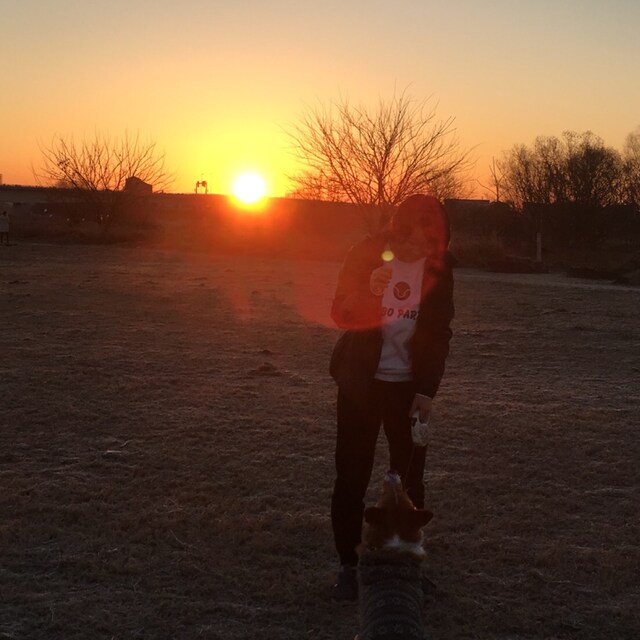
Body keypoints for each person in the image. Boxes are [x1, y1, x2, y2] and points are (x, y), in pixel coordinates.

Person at [328, 193, 455, 600]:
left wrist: (426, 391)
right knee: (352, 477)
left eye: (432, 243)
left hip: (408, 390)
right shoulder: (365, 254)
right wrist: (368, 292)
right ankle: (349, 566)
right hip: (361, 386)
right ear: (398, 230)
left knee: (411, 482)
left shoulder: (440, 269)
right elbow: (340, 314)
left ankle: (407, 564)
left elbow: (438, 333)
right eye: (416, 240)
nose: (423, 251)